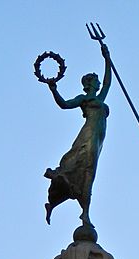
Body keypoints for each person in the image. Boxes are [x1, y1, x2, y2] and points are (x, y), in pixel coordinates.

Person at [44, 44, 111, 228]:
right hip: (89, 135)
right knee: (85, 168)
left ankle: (73, 208)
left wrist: (107, 57)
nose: (99, 83)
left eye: (98, 81)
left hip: (98, 140)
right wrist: (53, 89)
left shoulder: (100, 98)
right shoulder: (85, 99)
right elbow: (64, 105)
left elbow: (107, 83)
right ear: (90, 84)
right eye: (95, 81)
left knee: (89, 172)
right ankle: (85, 213)